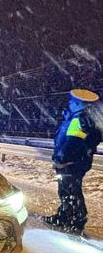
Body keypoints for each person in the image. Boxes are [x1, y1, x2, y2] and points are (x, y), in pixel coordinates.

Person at [43, 89, 101, 234]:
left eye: (72, 102)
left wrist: (61, 158)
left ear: (78, 103)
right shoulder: (86, 117)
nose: (69, 103)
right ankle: (65, 217)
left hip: (70, 162)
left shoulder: (80, 119)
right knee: (68, 190)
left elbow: (73, 142)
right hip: (77, 161)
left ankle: (75, 221)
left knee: (70, 191)